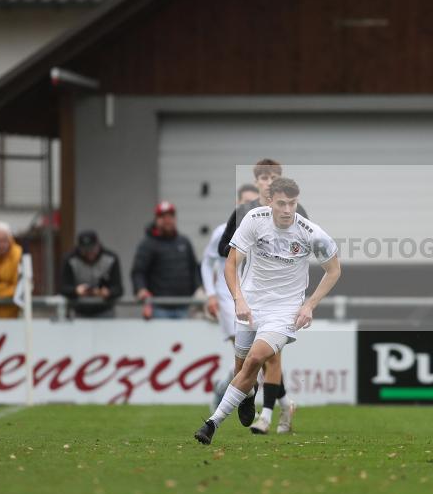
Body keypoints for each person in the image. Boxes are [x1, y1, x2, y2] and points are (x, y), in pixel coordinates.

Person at [194, 177, 340, 445]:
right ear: (270, 200)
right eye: (282, 203)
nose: (287, 209)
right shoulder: (253, 219)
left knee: (254, 360)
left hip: (285, 311)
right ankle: (248, 394)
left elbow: (334, 270)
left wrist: (309, 305)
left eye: (292, 203)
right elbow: (230, 264)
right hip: (251, 304)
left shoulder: (311, 232)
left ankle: (211, 423)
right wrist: (238, 299)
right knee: (241, 367)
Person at [201, 184, 297, 433]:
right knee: (247, 364)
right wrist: (244, 243)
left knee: (267, 357)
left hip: (274, 304)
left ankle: (265, 416)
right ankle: (274, 402)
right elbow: (222, 253)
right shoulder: (245, 218)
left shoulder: (287, 221)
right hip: (245, 297)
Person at [216, 159, 308, 258]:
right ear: (256, 182)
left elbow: (307, 244)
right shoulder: (243, 211)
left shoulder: (296, 210)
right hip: (250, 271)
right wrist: (244, 249)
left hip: (286, 271)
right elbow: (222, 247)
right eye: (264, 178)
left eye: (274, 178)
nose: (269, 183)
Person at [131, 201, 201, 319]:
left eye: (170, 216)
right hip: (159, 307)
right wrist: (141, 289)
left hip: (184, 306)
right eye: (163, 217)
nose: (167, 220)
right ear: (157, 220)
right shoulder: (147, 244)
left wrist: (199, 289)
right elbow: (138, 271)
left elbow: (193, 269)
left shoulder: (184, 242)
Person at [60, 230, 123, 318]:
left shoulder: (111, 258)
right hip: (79, 311)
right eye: (85, 251)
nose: (90, 254)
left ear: (98, 245)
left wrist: (107, 292)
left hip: (104, 310)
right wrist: (76, 291)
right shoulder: (70, 259)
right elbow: (63, 288)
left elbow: (118, 289)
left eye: (92, 249)